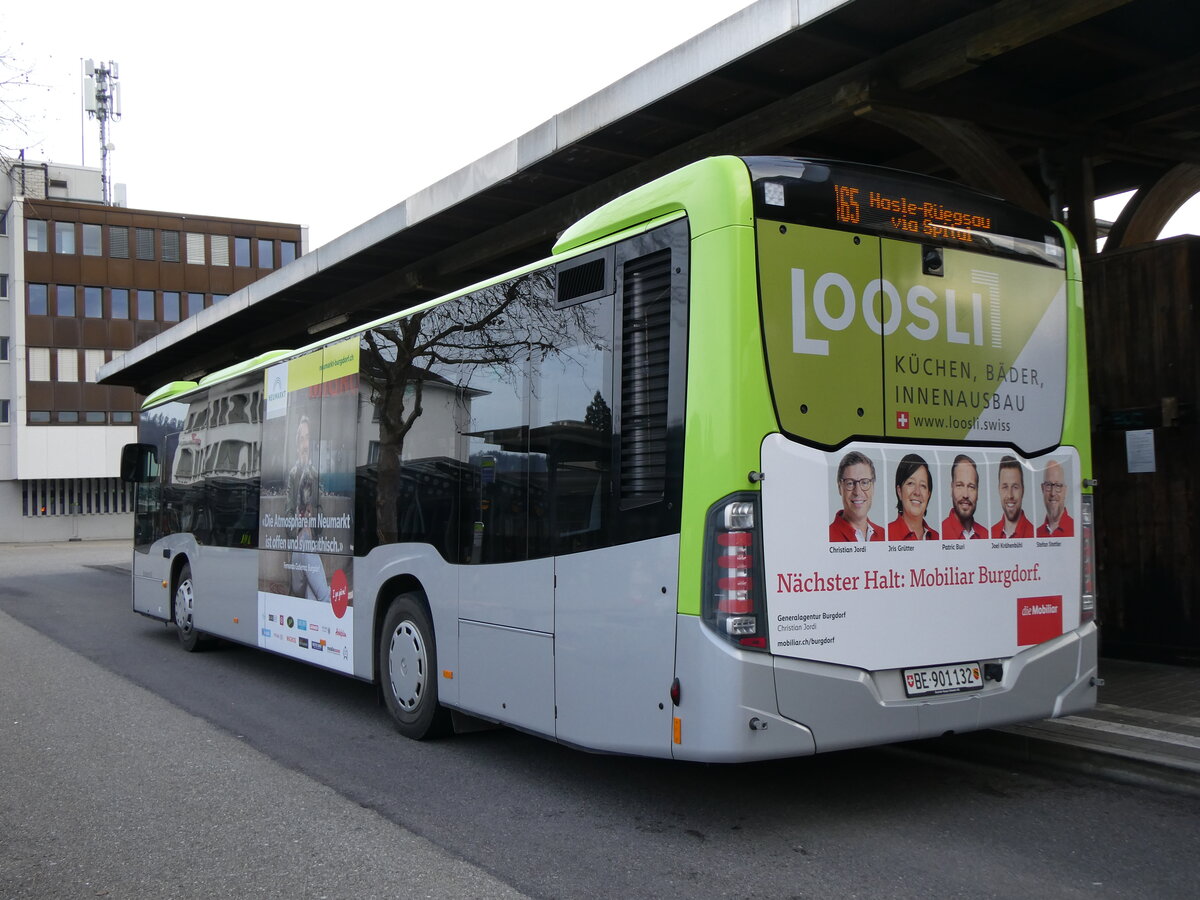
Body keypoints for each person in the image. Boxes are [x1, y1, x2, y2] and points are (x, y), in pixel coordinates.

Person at [829, 451, 884, 542]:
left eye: (864, 482)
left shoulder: (885, 535)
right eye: (850, 483)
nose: (858, 492)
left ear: (873, 486)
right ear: (840, 487)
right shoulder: (827, 536)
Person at [888, 453, 938, 541]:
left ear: (928, 494)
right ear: (899, 491)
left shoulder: (938, 538)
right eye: (910, 483)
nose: (917, 492)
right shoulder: (886, 535)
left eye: (923, 485)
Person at [940, 454, 987, 540]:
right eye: (959, 485)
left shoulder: (987, 535)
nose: (965, 495)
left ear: (978, 492)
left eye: (971, 487)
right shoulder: (939, 534)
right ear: (951, 488)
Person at [991, 455, 1034, 538]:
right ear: (999, 489)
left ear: (1023, 490)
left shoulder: (1035, 534)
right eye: (1005, 487)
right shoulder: (990, 535)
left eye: (1015, 487)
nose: (1010, 495)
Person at [1036, 459, 1075, 537]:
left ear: (1065, 490)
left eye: (1058, 485)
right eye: (1048, 485)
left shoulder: (1076, 529)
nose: (1053, 493)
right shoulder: (1036, 534)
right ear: (1042, 488)